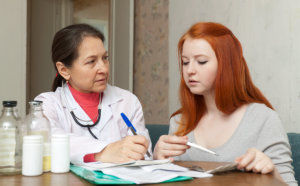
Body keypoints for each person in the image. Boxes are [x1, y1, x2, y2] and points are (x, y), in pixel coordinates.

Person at [153, 22, 297, 185]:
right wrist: (157, 161)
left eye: (201, 61)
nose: (189, 70)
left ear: (227, 65)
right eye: (185, 62)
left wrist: (273, 173)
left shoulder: (263, 120)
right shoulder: (179, 122)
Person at [35, 24, 151, 164]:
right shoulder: (47, 104)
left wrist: (141, 152)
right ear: (64, 70)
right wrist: (105, 152)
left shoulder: (127, 101)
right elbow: (49, 140)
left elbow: (145, 154)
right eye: (91, 61)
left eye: (105, 58)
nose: (103, 68)